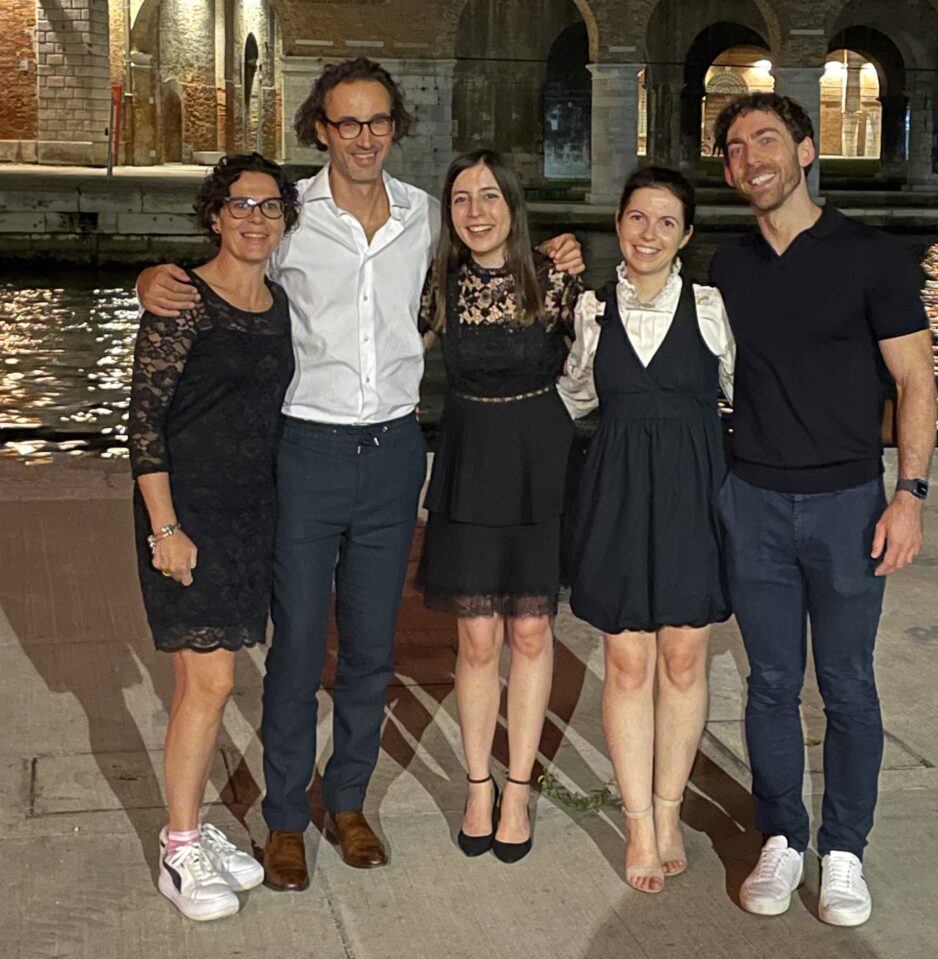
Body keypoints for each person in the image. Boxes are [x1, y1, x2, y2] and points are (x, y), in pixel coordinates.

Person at [136, 57, 583, 891]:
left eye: (378, 121)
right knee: (300, 646)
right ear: (322, 130)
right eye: (348, 122)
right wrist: (151, 277)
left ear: (394, 128)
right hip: (306, 450)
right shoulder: (291, 217)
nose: (364, 137)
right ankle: (283, 817)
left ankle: (347, 801)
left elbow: (492, 260)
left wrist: (559, 246)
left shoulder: (426, 216)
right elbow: (229, 272)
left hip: (392, 452)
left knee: (372, 649)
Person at [710, 92, 937, 926]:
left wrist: (909, 495)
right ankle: (782, 835)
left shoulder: (871, 256)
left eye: (767, 138)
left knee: (846, 683)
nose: (751, 157)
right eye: (735, 147)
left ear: (807, 151)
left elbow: (916, 380)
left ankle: (843, 850)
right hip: (753, 501)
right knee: (770, 682)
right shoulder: (727, 267)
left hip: (847, 504)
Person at [128, 153, 298, 920]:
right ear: (215, 214)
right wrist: (165, 526)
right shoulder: (181, 298)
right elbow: (144, 423)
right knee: (211, 682)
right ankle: (180, 848)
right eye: (241, 205)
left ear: (285, 219)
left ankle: (193, 822)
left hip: (250, 512)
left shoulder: (277, 302)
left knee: (206, 679)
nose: (255, 219)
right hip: (186, 513)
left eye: (270, 206)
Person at [558, 166, 734, 893]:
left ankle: (669, 812)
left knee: (685, 662)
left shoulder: (713, 308)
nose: (649, 233)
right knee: (627, 664)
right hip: (619, 494)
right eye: (637, 217)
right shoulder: (592, 310)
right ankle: (637, 823)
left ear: (686, 235)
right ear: (618, 224)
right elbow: (572, 396)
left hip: (693, 493)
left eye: (667, 221)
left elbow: (746, 392)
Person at [417, 149, 581, 863]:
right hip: (469, 460)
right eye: (461, 198)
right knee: (478, 639)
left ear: (513, 205)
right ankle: (478, 785)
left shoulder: (556, 278)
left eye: (490, 196)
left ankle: (519, 788)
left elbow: (600, 360)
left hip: (539, 461)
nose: (476, 211)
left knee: (533, 632)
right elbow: (379, 349)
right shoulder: (438, 286)